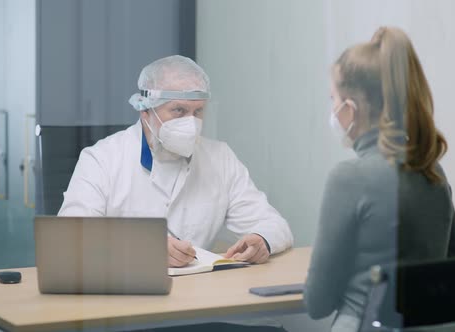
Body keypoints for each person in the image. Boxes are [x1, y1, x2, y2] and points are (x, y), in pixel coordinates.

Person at [58, 55, 293, 268]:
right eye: (179, 110)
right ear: (145, 110)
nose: (191, 123)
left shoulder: (220, 158)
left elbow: (275, 225)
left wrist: (263, 241)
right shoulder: (102, 158)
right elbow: (70, 238)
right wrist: (144, 248)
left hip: (196, 298)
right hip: (124, 298)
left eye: (198, 111)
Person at [304, 27, 455, 332]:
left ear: (349, 110)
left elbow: (318, 303)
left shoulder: (349, 178)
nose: (332, 110)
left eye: (333, 99)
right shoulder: (433, 171)